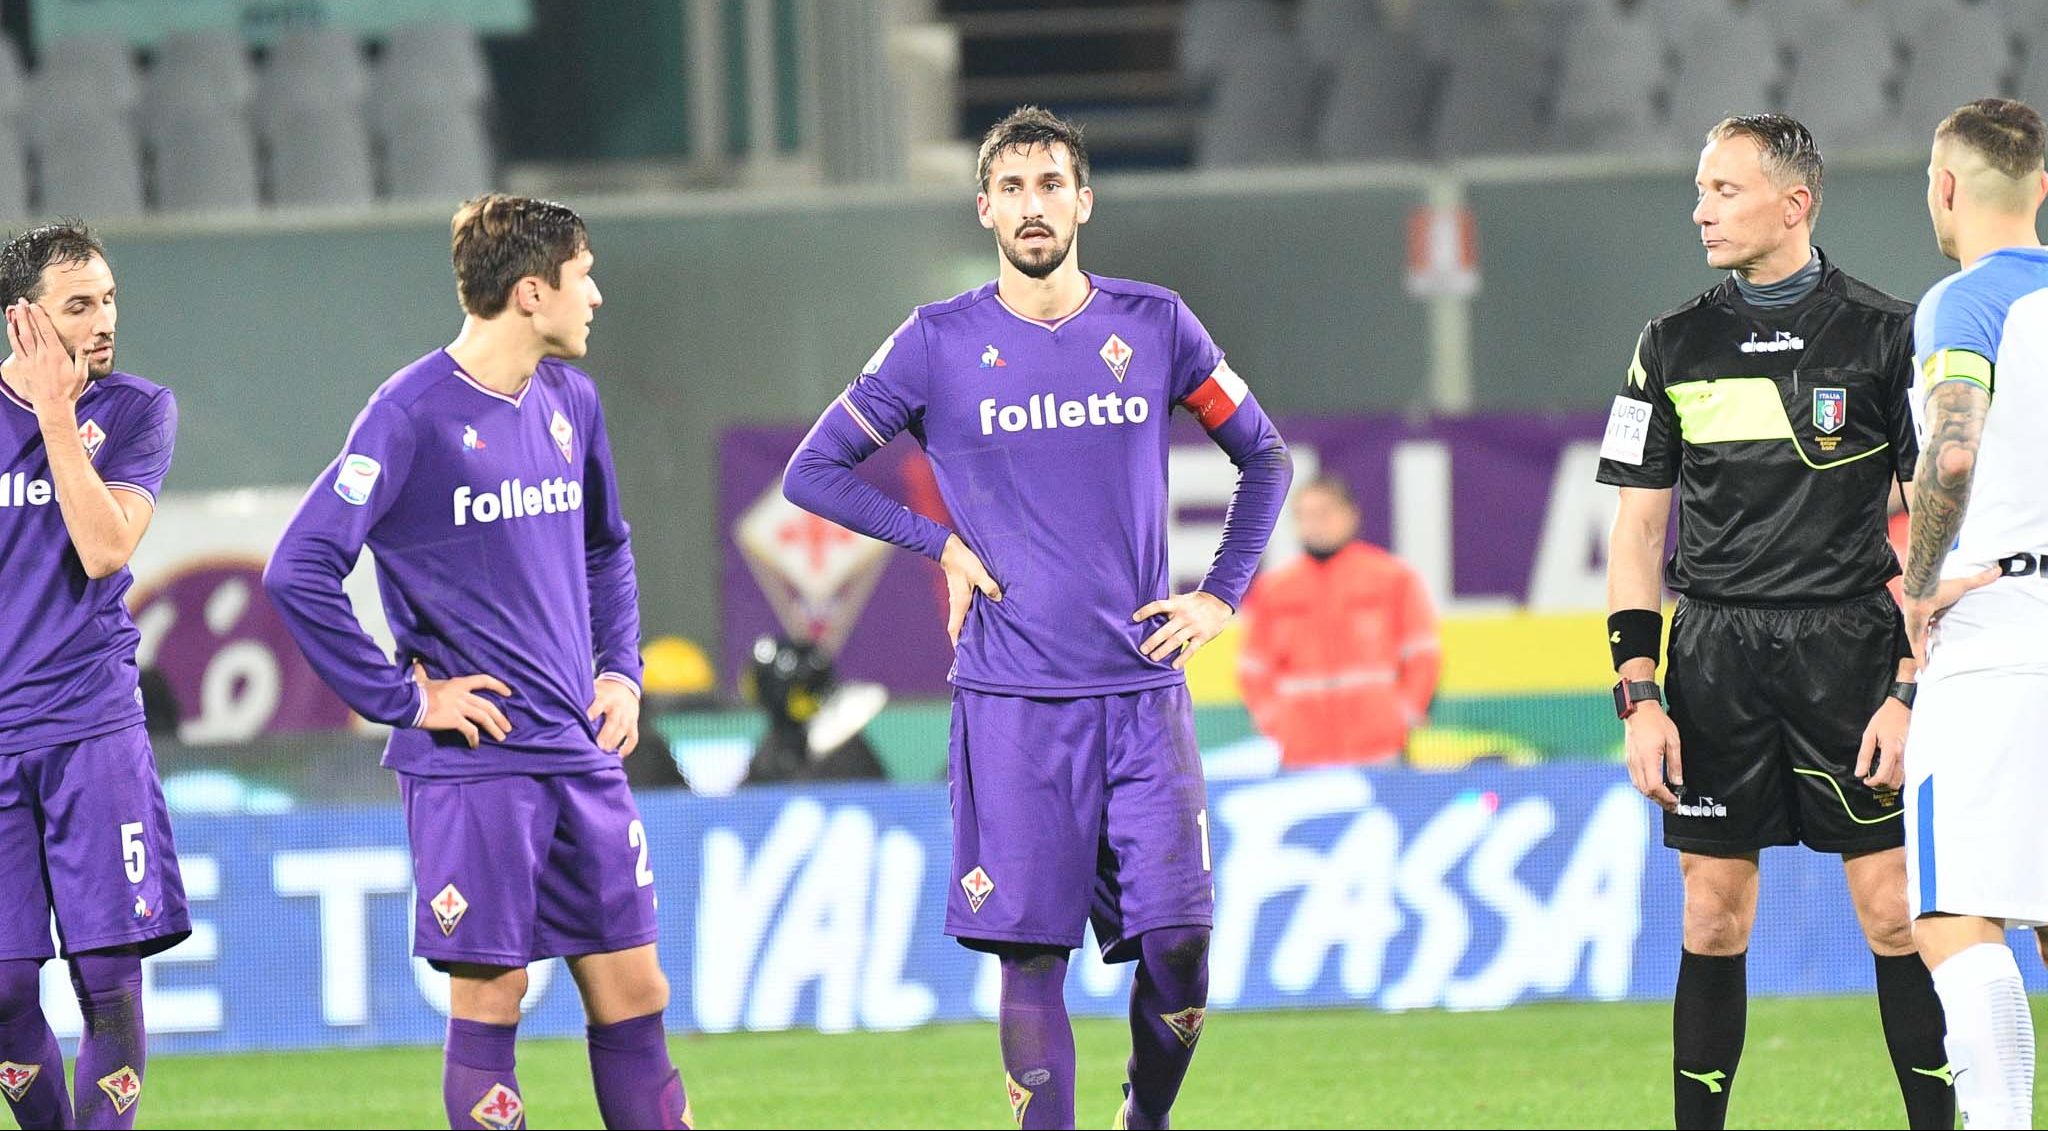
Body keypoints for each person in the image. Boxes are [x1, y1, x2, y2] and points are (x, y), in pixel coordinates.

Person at [782, 106, 1290, 1130]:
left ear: (1082, 201)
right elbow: (812, 471)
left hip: (1142, 693)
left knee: (1182, 948)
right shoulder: (936, 343)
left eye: (1050, 184)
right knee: (1031, 954)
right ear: (982, 208)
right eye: (1010, 189)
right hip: (1011, 701)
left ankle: (1140, 1118)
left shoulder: (1156, 326)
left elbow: (1264, 457)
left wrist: (1218, 595)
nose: (1031, 205)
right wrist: (940, 544)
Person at [263, 195, 691, 1130]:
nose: (597, 296)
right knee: (491, 1001)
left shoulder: (572, 400)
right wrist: (404, 698)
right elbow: (299, 568)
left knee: (636, 988)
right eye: (584, 277)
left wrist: (620, 669)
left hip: (578, 750)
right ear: (532, 292)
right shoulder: (408, 413)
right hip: (478, 763)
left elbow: (605, 548)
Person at [1594, 115, 1952, 1130]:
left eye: (1722, 189)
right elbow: (1635, 538)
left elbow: (1933, 533)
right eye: (1699, 190)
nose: (1698, 208)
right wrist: (1637, 694)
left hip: (1850, 650)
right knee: (1710, 918)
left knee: (1891, 917)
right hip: (1711, 657)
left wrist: (1906, 684)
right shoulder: (1669, 343)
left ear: (1792, 203)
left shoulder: (1888, 336)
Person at [0, 220, 189, 1131]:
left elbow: (105, 544)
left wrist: (52, 417)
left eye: (108, 298)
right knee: (2, 990)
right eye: (79, 305)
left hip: (92, 727)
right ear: (22, 322)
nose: (104, 319)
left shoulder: (141, 409)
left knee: (107, 980)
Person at [1901, 96, 2048, 1131]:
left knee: (1956, 916)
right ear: (2039, 187)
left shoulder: (1964, 303)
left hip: (2000, 635)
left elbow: (1950, 449)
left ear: (1943, 188)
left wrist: (1916, 582)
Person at [1237, 473, 1438, 768]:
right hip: (1301, 753)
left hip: (1377, 750)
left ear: (1351, 515)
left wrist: (1403, 714)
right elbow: (1252, 667)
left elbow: (1423, 654)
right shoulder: (1274, 589)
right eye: (1304, 516)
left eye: (1324, 513)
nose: (1314, 524)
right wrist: (1272, 719)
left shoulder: (1393, 579)